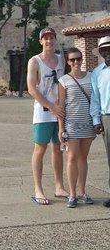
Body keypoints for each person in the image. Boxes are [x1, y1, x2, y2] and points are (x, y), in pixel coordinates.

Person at [27, 27, 68, 205]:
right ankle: (38, 189)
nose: (49, 41)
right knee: (40, 149)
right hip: (43, 112)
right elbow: (31, 89)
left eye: (52, 38)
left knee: (58, 148)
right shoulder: (35, 61)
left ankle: (59, 186)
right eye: (46, 38)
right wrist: (50, 106)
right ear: (41, 41)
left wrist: (61, 106)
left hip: (59, 111)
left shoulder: (61, 59)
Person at [58, 47, 95, 208]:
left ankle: (82, 191)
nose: (76, 62)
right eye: (72, 60)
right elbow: (61, 106)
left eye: (78, 59)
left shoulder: (91, 77)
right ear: (68, 62)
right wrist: (61, 128)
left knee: (83, 158)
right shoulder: (64, 80)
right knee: (72, 157)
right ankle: (72, 194)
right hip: (72, 125)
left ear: (82, 59)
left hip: (88, 123)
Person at [90, 35, 110, 207]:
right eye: (104, 50)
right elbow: (95, 99)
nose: (107, 52)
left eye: (109, 48)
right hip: (108, 118)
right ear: (101, 53)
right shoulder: (97, 73)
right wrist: (96, 120)